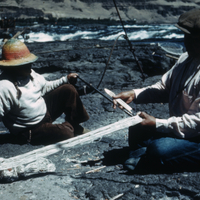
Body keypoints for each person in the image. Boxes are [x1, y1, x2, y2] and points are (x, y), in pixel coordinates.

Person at [113, 8, 200, 172]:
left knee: (161, 149)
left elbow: (196, 123)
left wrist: (158, 124)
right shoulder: (185, 59)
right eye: (185, 36)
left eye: (193, 38)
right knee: (137, 126)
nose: (186, 41)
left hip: (197, 135)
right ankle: (144, 157)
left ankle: (149, 156)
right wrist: (135, 94)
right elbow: (164, 87)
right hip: (182, 129)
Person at [0, 38, 89, 145]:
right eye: (24, 64)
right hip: (30, 129)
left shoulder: (30, 73)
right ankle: (70, 128)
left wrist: (66, 79)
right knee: (66, 134)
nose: (30, 66)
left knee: (68, 89)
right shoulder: (4, 86)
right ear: (13, 67)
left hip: (45, 113)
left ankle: (74, 124)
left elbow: (46, 86)